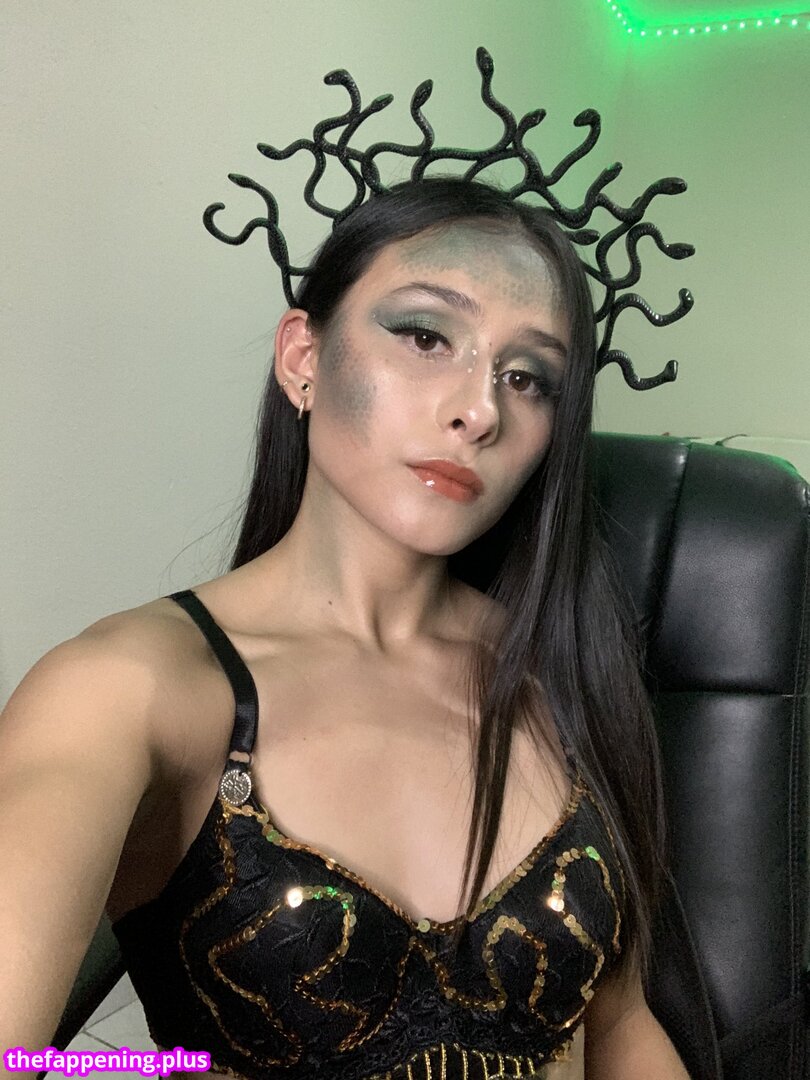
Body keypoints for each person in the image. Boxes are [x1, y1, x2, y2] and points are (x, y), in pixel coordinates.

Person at [0, 176, 692, 1079]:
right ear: (303, 357)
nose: (480, 409)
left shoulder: (564, 677)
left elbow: (623, 1027)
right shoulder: (127, 691)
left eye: (527, 378)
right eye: (425, 336)